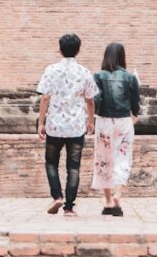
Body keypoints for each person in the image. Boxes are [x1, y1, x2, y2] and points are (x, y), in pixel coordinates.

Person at [37, 33, 98, 217]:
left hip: (55, 125)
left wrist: (41, 122)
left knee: (51, 163)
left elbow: (45, 97)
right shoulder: (85, 72)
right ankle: (69, 207)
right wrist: (90, 121)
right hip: (76, 126)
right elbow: (90, 99)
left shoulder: (51, 70)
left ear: (60, 49)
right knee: (74, 167)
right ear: (78, 50)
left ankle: (57, 196)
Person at [92, 42, 141, 217]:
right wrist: (134, 116)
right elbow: (136, 104)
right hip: (123, 121)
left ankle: (107, 201)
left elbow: (95, 101)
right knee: (122, 158)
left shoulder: (97, 76)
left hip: (104, 121)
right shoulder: (130, 77)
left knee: (103, 160)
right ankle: (118, 195)